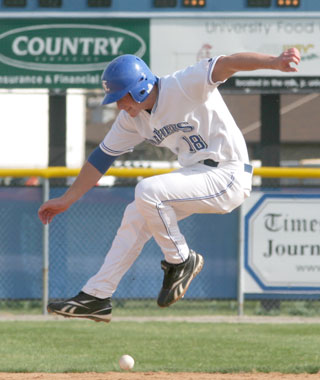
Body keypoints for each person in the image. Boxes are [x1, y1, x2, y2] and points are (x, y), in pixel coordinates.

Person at [38, 48, 301, 323]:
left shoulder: (183, 84)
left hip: (229, 173)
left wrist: (275, 62)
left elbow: (228, 63)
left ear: (140, 89)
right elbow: (101, 158)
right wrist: (67, 198)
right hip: (198, 175)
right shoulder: (133, 119)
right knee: (135, 214)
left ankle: (181, 260)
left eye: (121, 97)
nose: (118, 105)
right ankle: (97, 295)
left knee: (148, 192)